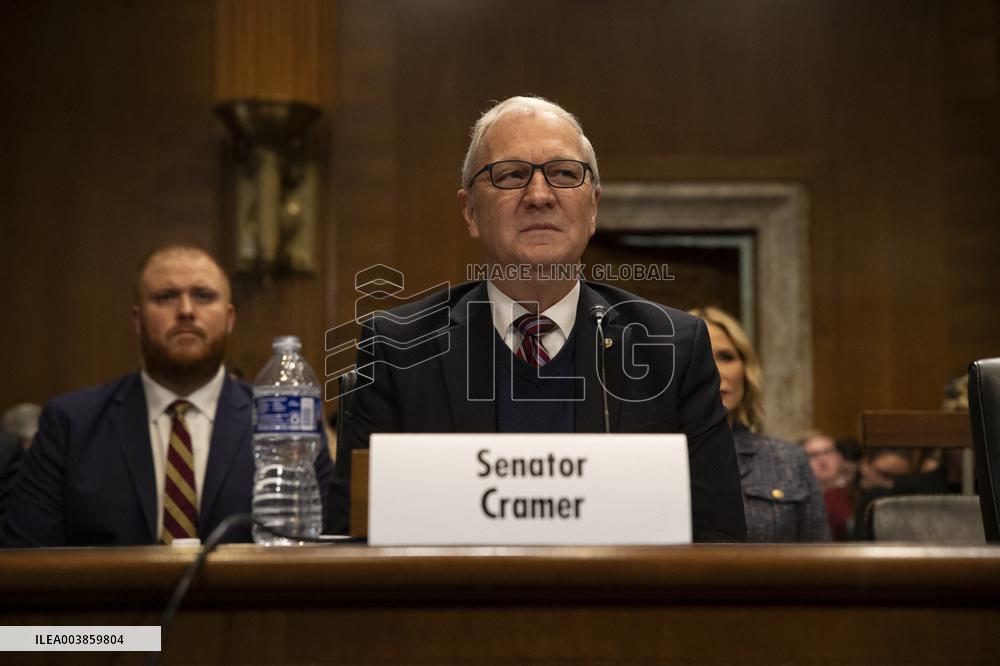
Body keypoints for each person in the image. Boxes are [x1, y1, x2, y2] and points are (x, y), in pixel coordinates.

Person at [333, 95, 746, 542]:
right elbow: (354, 539)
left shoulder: (671, 347)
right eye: (510, 175)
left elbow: (716, 537)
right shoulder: (397, 347)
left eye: (564, 174)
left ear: (593, 208)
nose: (539, 196)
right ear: (470, 211)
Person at [1, 245, 333, 547]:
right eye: (165, 297)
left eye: (203, 296)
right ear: (137, 320)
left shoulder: (284, 421)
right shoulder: (72, 424)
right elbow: (25, 558)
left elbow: (328, 544)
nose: (186, 310)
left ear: (229, 319)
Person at [690, 306, 829, 542]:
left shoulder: (788, 460)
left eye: (726, 356)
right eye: (699, 355)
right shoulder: (645, 459)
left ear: (746, 371)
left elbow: (822, 563)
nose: (714, 370)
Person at [802, 432, 855, 540]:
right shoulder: (800, 501)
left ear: (840, 457)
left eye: (828, 452)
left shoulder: (856, 492)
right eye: (813, 455)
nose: (823, 460)